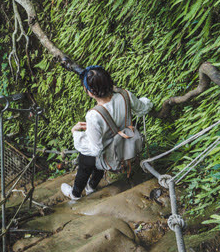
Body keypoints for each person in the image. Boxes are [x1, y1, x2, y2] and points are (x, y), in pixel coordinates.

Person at [60, 66, 153, 201]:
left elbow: (95, 149)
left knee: (85, 159)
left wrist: (75, 133)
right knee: (96, 152)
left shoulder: (94, 115)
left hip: (111, 156)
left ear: (90, 92)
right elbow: (143, 108)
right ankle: (91, 186)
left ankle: (75, 194)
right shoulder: (125, 95)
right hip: (128, 147)